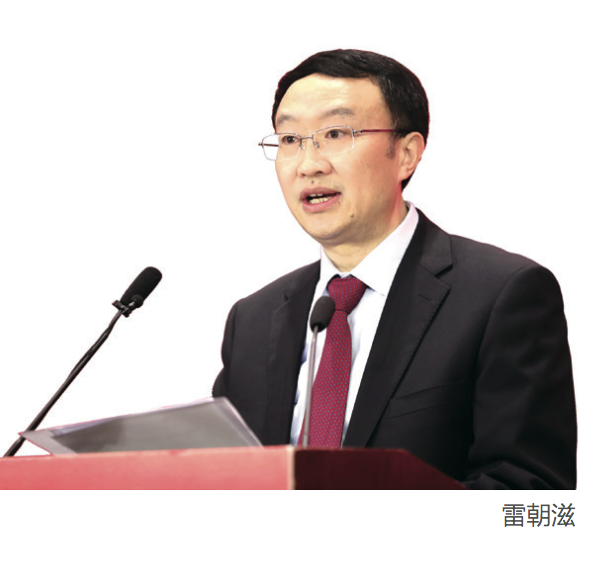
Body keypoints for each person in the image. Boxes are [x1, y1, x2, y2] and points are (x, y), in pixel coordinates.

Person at [212, 49, 577, 489]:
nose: (309, 164)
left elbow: (532, 494)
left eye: (335, 133)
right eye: (290, 139)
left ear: (406, 154)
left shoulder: (501, 295)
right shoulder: (252, 320)